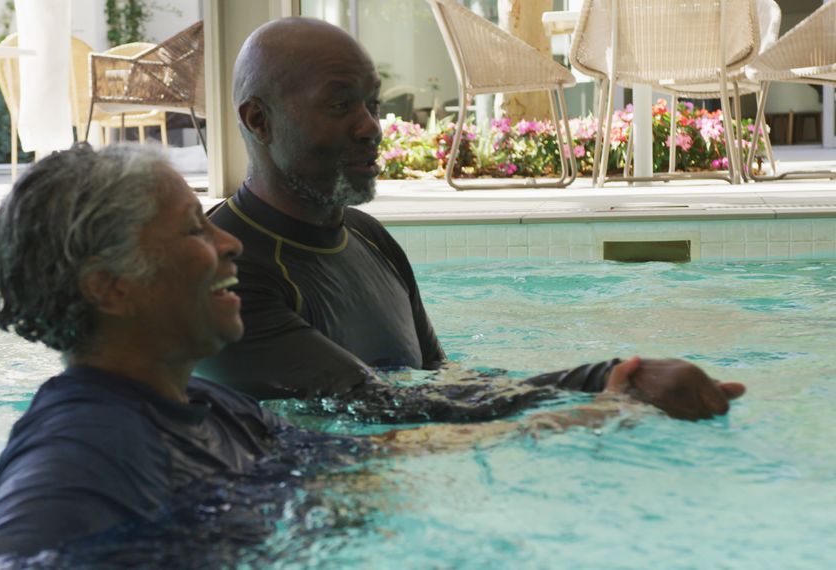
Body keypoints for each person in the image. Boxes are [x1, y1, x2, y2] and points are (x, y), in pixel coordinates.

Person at [0, 143, 673, 565]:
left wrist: (599, 400)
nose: (228, 242)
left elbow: (385, 460)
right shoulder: (81, 454)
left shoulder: (215, 411)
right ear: (111, 287)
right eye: (191, 230)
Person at [194, 17, 745, 422]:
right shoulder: (232, 276)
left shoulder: (368, 237)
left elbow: (440, 381)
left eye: (371, 103)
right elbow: (381, 408)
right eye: (340, 106)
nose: (372, 128)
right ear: (259, 120)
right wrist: (601, 383)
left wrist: (616, 380)